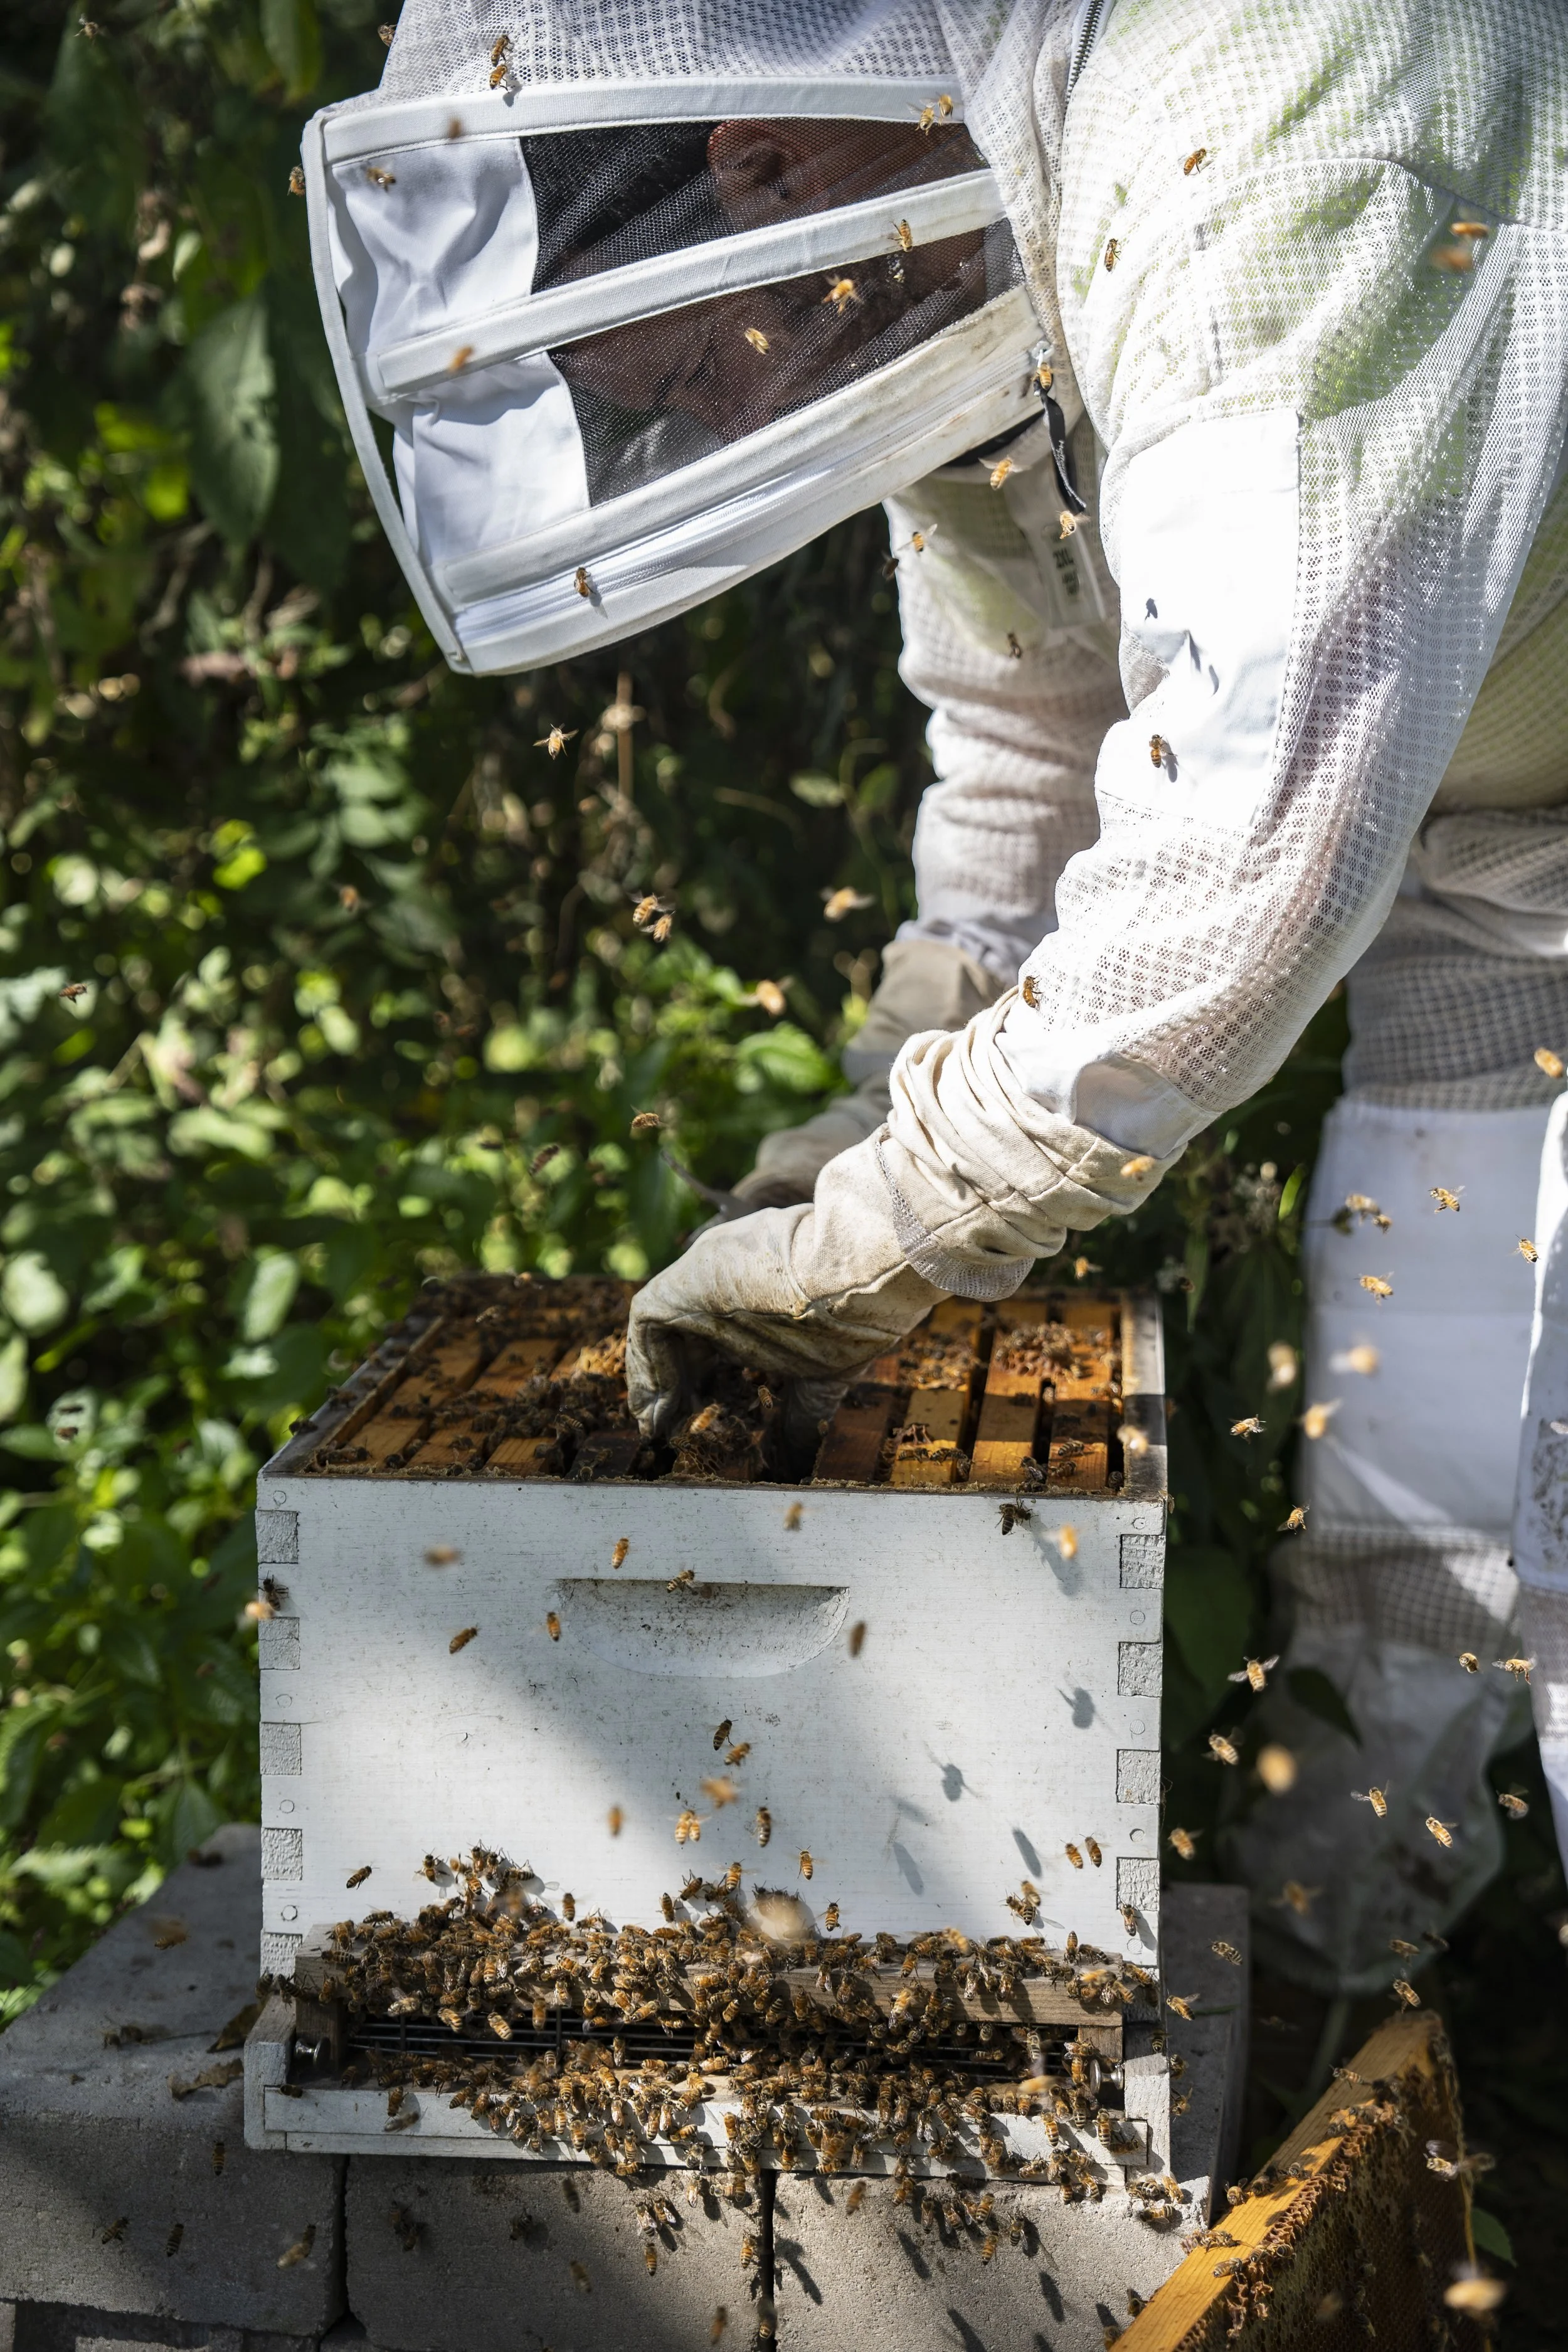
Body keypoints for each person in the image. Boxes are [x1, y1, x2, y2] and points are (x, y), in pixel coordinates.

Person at [309, 0, 1568, 1988]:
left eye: (691, 391)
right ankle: (1356, 1991)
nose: (728, 436)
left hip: (1439, 796)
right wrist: (892, 1084)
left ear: (761, 169)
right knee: (1423, 1467)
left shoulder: (1283, 108)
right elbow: (1021, 731)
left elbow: (1247, 850)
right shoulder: (929, 239)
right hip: (1514, 851)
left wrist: (890, 1228)